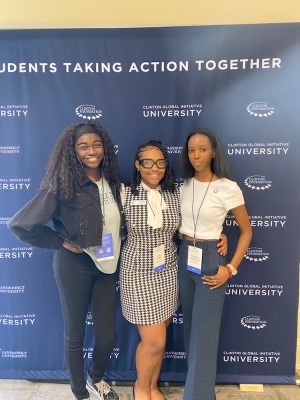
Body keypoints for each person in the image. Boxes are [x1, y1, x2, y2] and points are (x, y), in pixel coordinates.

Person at [8, 122, 124, 400]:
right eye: (83, 146)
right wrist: (59, 241)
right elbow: (19, 225)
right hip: (75, 265)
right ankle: (79, 392)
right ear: (72, 151)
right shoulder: (62, 186)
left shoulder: (114, 181)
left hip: (107, 264)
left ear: (104, 146)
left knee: (107, 336)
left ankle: (96, 379)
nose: (91, 151)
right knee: (75, 333)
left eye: (96, 144)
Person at [119, 140, 227, 400]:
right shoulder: (123, 193)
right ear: (137, 164)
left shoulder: (174, 194)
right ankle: (141, 388)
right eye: (147, 162)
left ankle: (153, 386)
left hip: (168, 268)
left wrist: (218, 236)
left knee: (162, 333)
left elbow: (192, 226)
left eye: (160, 162)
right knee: (154, 340)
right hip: (137, 269)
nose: (154, 168)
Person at [178, 128, 252, 400]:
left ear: (213, 152)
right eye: (191, 150)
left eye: (202, 149)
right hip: (184, 256)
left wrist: (230, 268)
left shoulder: (228, 187)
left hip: (211, 258)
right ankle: (199, 391)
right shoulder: (183, 185)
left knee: (204, 335)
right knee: (190, 332)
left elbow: (246, 231)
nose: (196, 155)